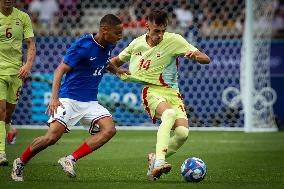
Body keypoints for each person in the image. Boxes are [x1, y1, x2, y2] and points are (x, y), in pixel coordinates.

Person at [11, 14, 124, 182]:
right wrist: (54, 99)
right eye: (117, 33)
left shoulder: (108, 44)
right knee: (51, 137)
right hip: (69, 98)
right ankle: (20, 162)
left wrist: (117, 70)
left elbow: (104, 62)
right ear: (105, 30)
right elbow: (59, 71)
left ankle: (70, 159)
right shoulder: (83, 45)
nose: (120, 37)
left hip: (91, 102)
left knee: (110, 130)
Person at [110, 10, 210, 181]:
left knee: (182, 134)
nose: (160, 35)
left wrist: (194, 56)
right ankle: (159, 163)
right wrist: (115, 70)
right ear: (147, 26)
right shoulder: (136, 44)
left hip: (173, 93)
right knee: (169, 114)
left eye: (163, 31)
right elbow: (113, 63)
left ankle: (154, 158)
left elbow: (205, 58)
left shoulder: (175, 40)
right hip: (151, 91)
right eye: (157, 31)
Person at [0, 0, 36, 166]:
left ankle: (10, 129)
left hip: (16, 72)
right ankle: (1, 152)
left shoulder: (23, 17)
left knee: (8, 113)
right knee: (0, 110)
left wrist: (28, 65)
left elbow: (30, 44)